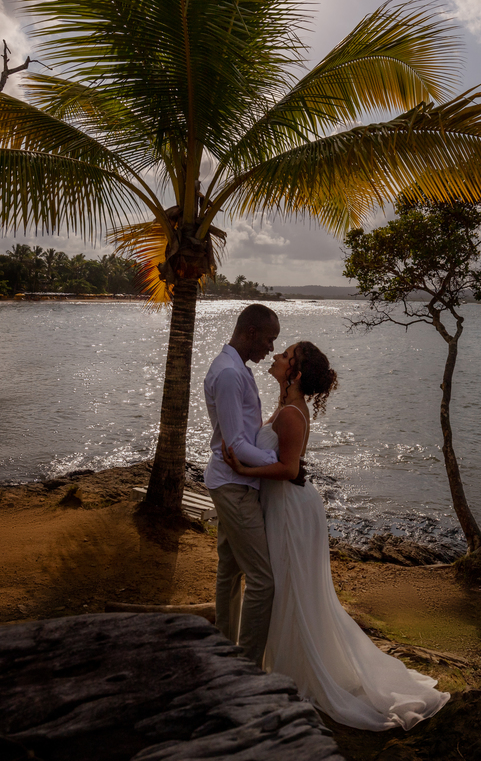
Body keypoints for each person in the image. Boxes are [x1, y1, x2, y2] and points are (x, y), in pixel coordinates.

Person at [224, 341, 450, 731]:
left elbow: (289, 469)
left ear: (295, 373)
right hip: (284, 507)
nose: (276, 356)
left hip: (291, 511)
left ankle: (299, 670)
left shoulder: (291, 414)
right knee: (288, 586)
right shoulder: (285, 406)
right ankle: (282, 664)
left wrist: (244, 472)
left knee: (293, 587)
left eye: (285, 355)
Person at [203, 303, 283, 666]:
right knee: (262, 581)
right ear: (251, 332)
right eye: (268, 339)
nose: (270, 348)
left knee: (230, 571)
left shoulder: (236, 369)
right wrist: (279, 464)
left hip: (232, 481)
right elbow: (235, 444)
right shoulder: (230, 374)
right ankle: (247, 667)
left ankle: (224, 654)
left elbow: (243, 432)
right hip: (234, 485)